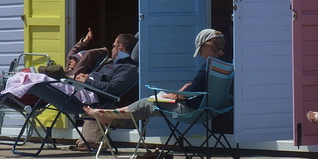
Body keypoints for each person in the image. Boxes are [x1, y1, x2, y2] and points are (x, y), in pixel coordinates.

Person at [83, 29, 226, 124]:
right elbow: (200, 87)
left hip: (193, 111)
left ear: (209, 47)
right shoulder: (227, 65)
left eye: (200, 50)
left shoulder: (208, 66)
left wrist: (175, 95)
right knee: (154, 107)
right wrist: (183, 91)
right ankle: (112, 116)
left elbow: (191, 91)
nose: (201, 54)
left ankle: (109, 115)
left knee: (148, 102)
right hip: (216, 108)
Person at [0, 33, 138, 105]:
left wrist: (88, 80)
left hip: (87, 97)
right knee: (32, 76)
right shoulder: (111, 63)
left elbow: (113, 89)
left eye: (114, 46)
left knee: (39, 80)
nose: (112, 48)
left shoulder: (128, 69)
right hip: (79, 88)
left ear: (121, 47)